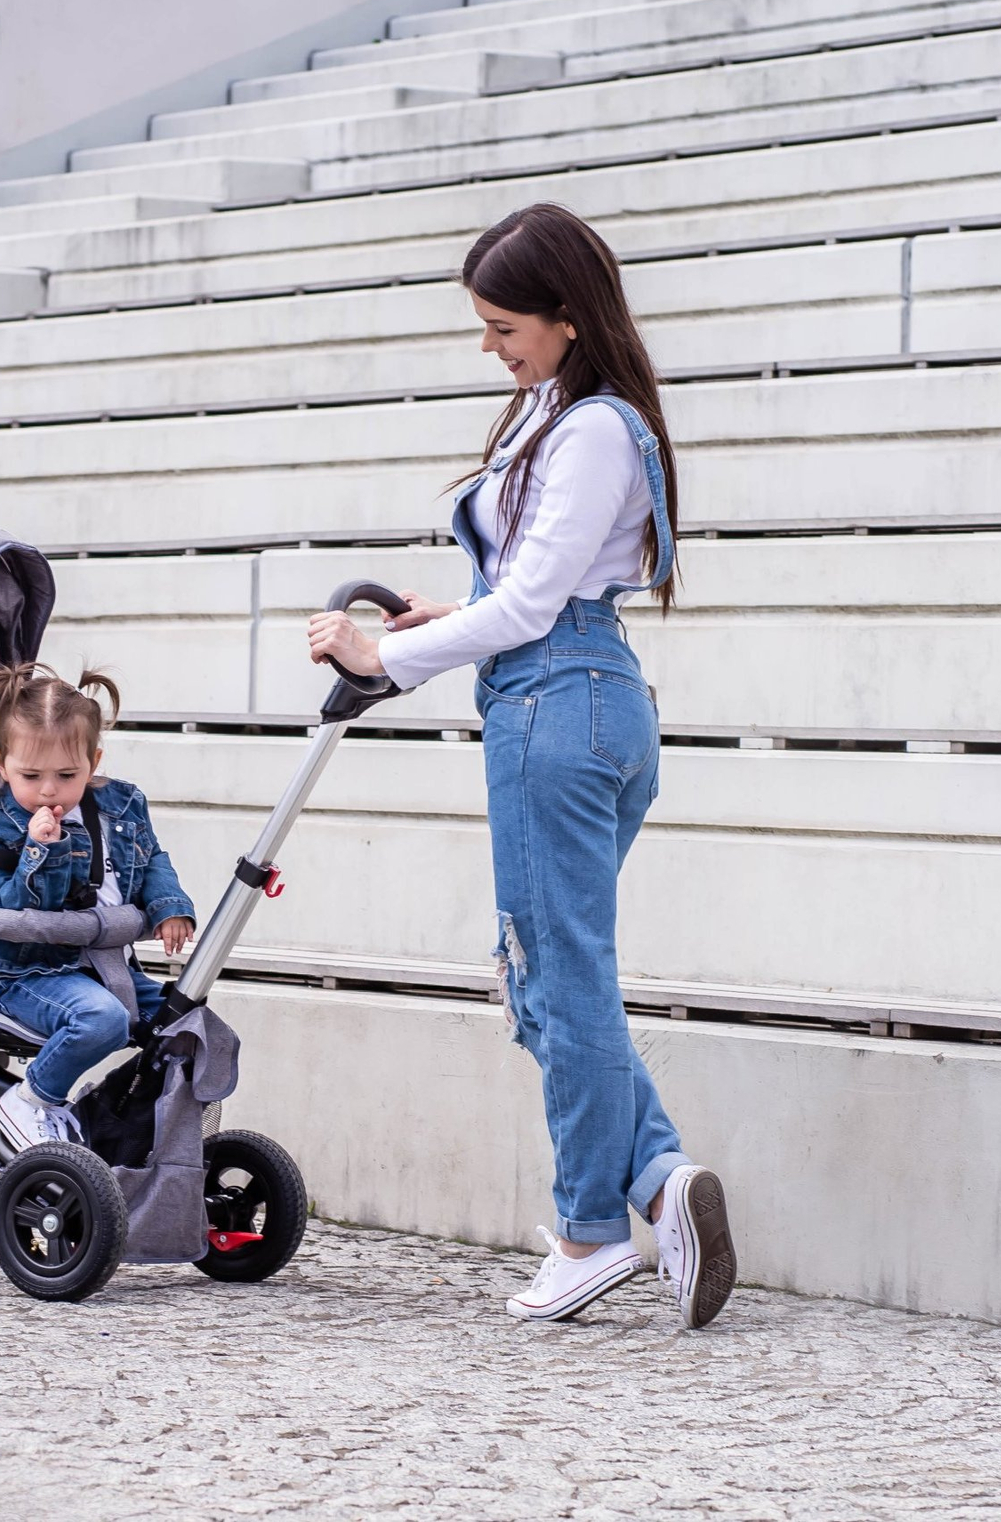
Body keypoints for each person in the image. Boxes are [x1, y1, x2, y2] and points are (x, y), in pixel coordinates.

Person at [308, 202, 737, 1329]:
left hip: (563, 706)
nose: (491, 345)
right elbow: (536, 588)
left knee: (565, 972)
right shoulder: (559, 410)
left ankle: (594, 1231)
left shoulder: (592, 426)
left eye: (505, 325)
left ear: (565, 315)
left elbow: (540, 602)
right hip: (570, 695)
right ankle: (657, 1178)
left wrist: (387, 654)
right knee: (545, 973)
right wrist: (450, 614)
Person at [0, 661, 196, 1154]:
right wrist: (38, 854)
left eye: (67, 774)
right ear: (2, 764)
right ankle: (30, 1100)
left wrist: (169, 907)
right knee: (103, 1021)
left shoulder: (122, 805)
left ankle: (125, 1123)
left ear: (93, 762)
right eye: (31, 775)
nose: (49, 790)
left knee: (188, 1025)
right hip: (32, 974)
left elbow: (151, 858)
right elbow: (10, 912)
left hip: (107, 966)